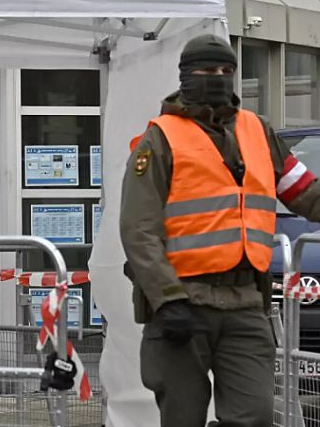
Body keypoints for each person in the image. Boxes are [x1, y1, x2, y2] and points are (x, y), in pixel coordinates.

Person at [121, 34, 320, 426]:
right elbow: (138, 229)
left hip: (245, 302)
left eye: (226, 71)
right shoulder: (160, 138)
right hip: (183, 303)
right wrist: (167, 299)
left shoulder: (258, 132)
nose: (217, 77)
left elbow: (305, 194)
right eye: (207, 70)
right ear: (185, 76)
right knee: (182, 417)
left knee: (256, 415)